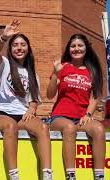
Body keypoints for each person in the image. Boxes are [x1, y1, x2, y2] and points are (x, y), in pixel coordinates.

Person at [0, 19, 52, 180]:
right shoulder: (3, 64)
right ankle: (14, 175)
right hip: (1, 114)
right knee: (10, 126)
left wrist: (32, 109)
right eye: (15, 44)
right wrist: (4, 38)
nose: (19, 48)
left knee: (44, 128)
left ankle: (47, 174)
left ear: (28, 49)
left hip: (23, 115)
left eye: (23, 45)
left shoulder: (32, 74)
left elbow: (34, 100)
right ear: (10, 49)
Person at [46, 33, 105, 180]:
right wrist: (55, 74)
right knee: (69, 128)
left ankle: (100, 176)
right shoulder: (63, 67)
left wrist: (88, 114)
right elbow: (49, 94)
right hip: (60, 117)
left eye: (80, 45)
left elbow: (95, 97)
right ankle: (70, 175)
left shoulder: (92, 71)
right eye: (73, 46)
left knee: (98, 129)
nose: (76, 48)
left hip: (81, 118)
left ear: (86, 48)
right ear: (68, 49)